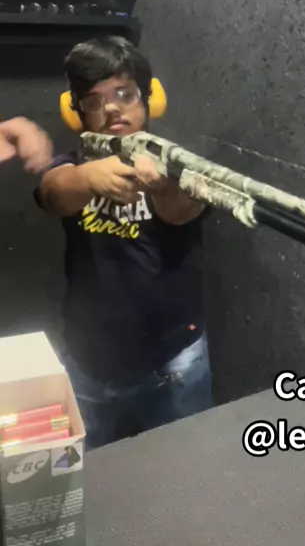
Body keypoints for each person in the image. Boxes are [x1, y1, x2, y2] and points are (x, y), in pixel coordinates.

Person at [34, 36, 213, 450]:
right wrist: (88, 177)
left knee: (191, 463)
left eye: (124, 94)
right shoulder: (74, 165)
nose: (112, 108)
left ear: (149, 101)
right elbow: (52, 192)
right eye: (94, 101)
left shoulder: (175, 162)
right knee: (74, 465)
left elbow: (181, 210)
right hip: (86, 361)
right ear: (76, 112)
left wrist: (164, 186)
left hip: (171, 361)